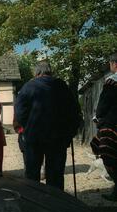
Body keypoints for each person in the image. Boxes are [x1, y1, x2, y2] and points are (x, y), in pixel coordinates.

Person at [15, 60, 81, 190]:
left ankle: (34, 203)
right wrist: (70, 133)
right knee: (55, 175)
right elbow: (74, 112)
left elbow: (20, 112)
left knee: (32, 174)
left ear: (37, 72)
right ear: (50, 71)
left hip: (35, 137)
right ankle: (55, 204)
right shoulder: (62, 86)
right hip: (58, 138)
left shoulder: (28, 86)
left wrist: (27, 128)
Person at [90, 53, 117, 201]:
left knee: (107, 155)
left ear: (114, 64)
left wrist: (98, 117)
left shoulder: (112, 82)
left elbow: (103, 104)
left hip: (112, 126)